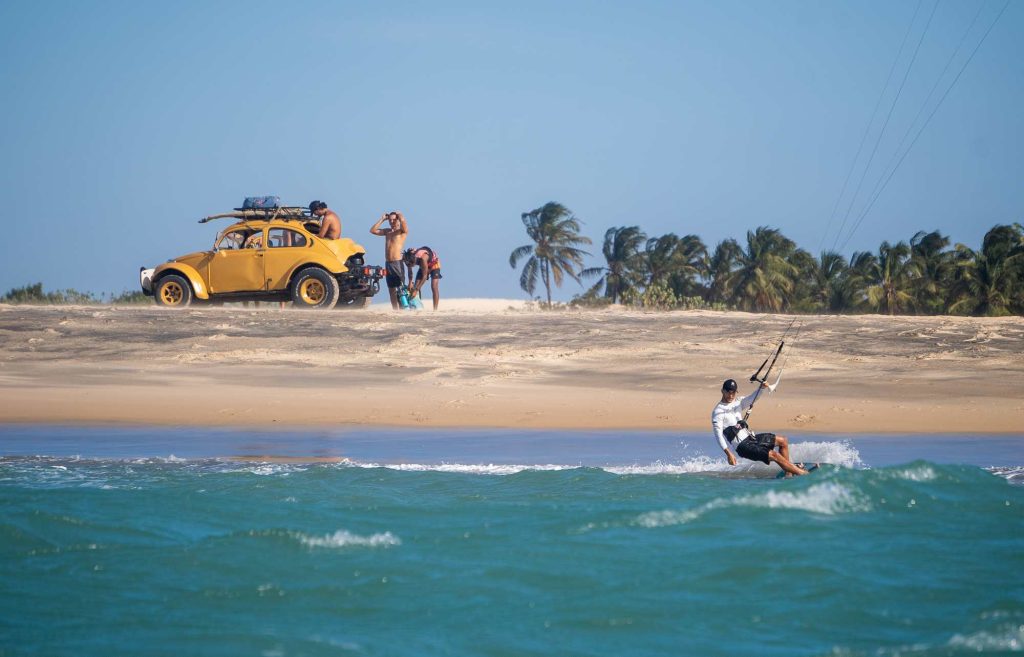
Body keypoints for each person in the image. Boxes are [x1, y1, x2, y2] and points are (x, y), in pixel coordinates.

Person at [712, 378, 808, 476]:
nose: (731, 396)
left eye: (733, 393)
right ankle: (803, 474)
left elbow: (752, 399)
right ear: (722, 391)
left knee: (783, 441)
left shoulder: (737, 401)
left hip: (751, 438)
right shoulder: (718, 412)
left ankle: (789, 473)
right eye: (728, 392)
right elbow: (718, 435)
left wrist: (761, 388)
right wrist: (728, 453)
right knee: (774, 455)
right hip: (743, 447)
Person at [370, 211, 408, 309]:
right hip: (388, 263)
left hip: (397, 263)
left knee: (400, 288)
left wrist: (401, 216)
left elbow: (405, 227)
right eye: (390, 220)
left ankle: (403, 308)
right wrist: (382, 219)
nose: (391, 222)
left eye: (393, 220)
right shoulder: (387, 232)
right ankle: (395, 310)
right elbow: (373, 230)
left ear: (397, 220)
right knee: (391, 289)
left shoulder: (401, 231)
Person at [403, 246, 442, 310]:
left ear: (414, 261)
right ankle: (417, 305)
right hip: (423, 266)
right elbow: (410, 272)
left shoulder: (423, 259)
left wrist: (416, 290)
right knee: (415, 285)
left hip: (434, 265)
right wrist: (410, 282)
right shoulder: (408, 258)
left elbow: (424, 276)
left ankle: (435, 309)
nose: (411, 266)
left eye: (412, 265)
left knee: (434, 287)